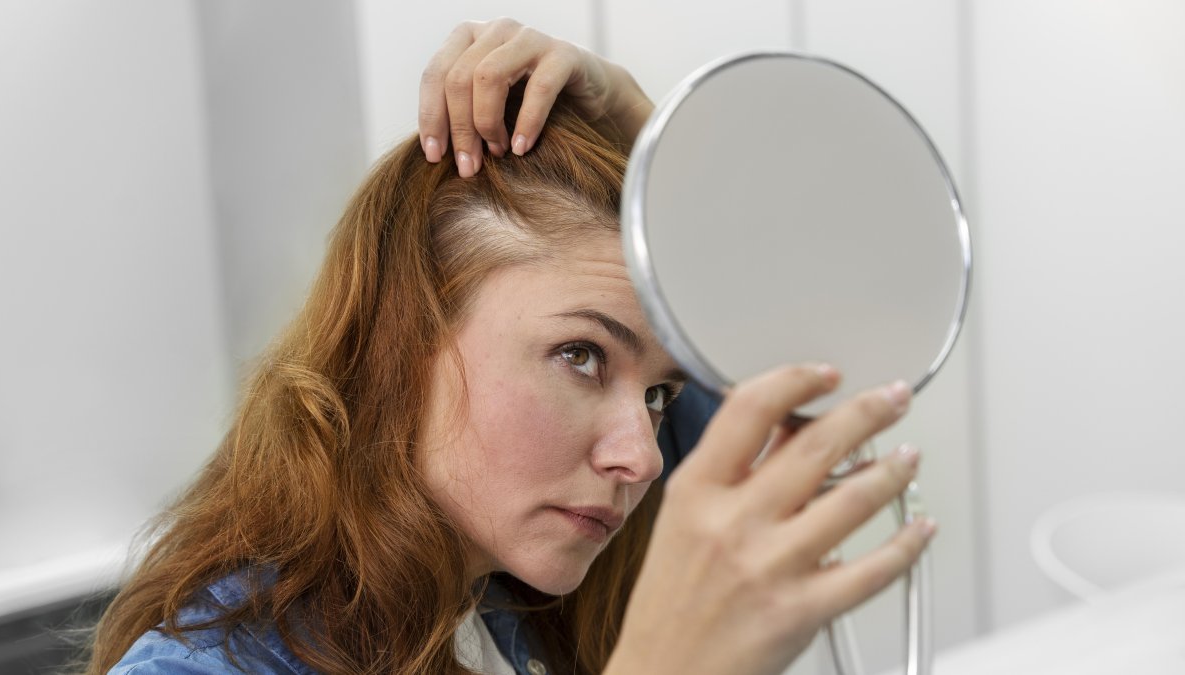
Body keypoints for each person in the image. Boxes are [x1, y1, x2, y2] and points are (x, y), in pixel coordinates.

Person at [89, 19, 934, 675]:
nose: (641, 457)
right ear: (404, 338)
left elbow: (804, 368)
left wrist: (655, 148)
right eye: (581, 355)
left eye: (660, 395)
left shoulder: (497, 598)